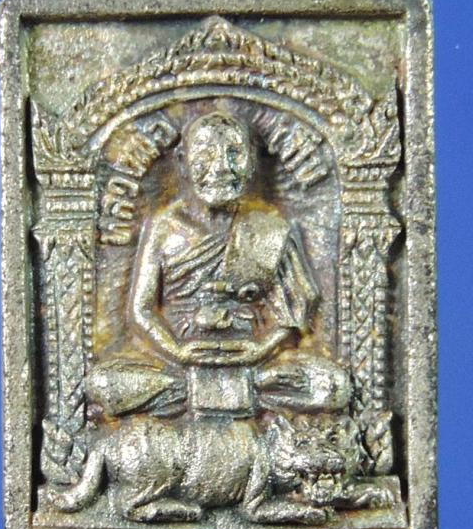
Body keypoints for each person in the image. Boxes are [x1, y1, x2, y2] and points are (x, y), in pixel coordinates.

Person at [87, 111, 351, 418]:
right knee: (103, 383)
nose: (221, 167)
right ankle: (207, 392)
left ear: (252, 162)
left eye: (234, 153)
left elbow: (293, 313)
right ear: (183, 161)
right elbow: (142, 310)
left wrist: (261, 349)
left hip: (253, 362)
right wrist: (177, 351)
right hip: (181, 362)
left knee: (333, 386)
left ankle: (226, 392)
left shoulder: (270, 228)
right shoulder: (164, 227)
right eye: (205, 154)